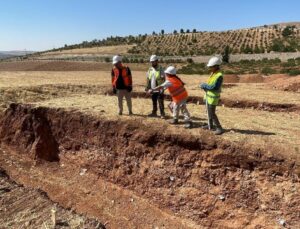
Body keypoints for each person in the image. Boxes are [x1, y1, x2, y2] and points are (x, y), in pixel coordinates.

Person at [200, 56, 224, 135]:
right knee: (209, 112)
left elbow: (214, 87)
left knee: (212, 113)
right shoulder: (213, 73)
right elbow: (210, 84)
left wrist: (205, 86)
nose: (210, 68)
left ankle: (219, 128)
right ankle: (210, 125)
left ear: (216, 66)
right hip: (208, 96)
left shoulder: (219, 75)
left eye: (211, 67)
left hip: (213, 97)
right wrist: (205, 86)